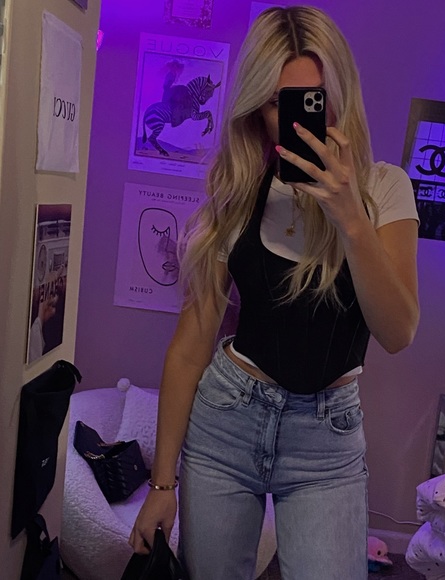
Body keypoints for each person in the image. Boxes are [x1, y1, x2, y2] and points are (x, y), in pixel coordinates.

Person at [129, 6, 420, 579]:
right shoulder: (239, 189)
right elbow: (191, 344)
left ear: (342, 94)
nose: (300, 119)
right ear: (257, 110)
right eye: (276, 103)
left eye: (314, 99)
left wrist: (350, 218)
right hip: (226, 421)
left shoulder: (385, 189)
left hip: (326, 441)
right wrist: (162, 485)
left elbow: (398, 331)